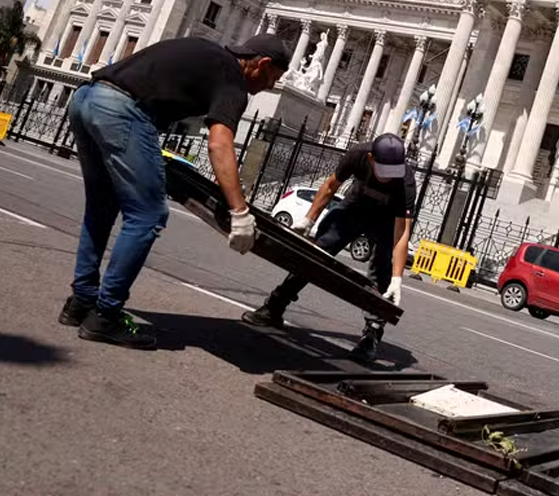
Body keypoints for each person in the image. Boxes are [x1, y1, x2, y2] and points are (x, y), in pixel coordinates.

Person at [59, 34, 289, 349]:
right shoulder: (232, 80)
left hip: (86, 97)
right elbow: (219, 144)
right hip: (122, 110)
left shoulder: (208, 52)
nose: (269, 87)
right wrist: (240, 212)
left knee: (102, 206)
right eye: (272, 78)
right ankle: (105, 315)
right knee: (147, 215)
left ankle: (81, 302)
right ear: (261, 64)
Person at [242, 132, 415, 363]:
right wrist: (308, 220)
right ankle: (275, 305)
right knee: (317, 252)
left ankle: (371, 336)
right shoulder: (358, 155)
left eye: (392, 173)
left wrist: (397, 279)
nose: (387, 178)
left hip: (384, 221)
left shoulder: (405, 181)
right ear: (372, 159)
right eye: (383, 171)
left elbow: (402, 233)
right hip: (354, 208)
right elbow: (330, 185)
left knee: (381, 271)